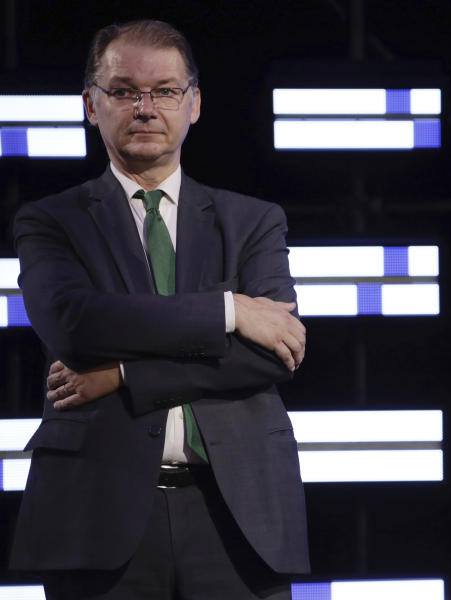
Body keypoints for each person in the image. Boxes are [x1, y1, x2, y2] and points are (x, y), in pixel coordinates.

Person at [9, 20, 310, 599]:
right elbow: (78, 325)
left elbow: (274, 355)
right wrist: (228, 312)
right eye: (123, 91)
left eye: (165, 91)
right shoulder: (50, 220)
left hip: (239, 515)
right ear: (92, 107)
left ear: (193, 104)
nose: (145, 107)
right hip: (95, 514)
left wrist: (124, 374)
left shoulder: (253, 221)